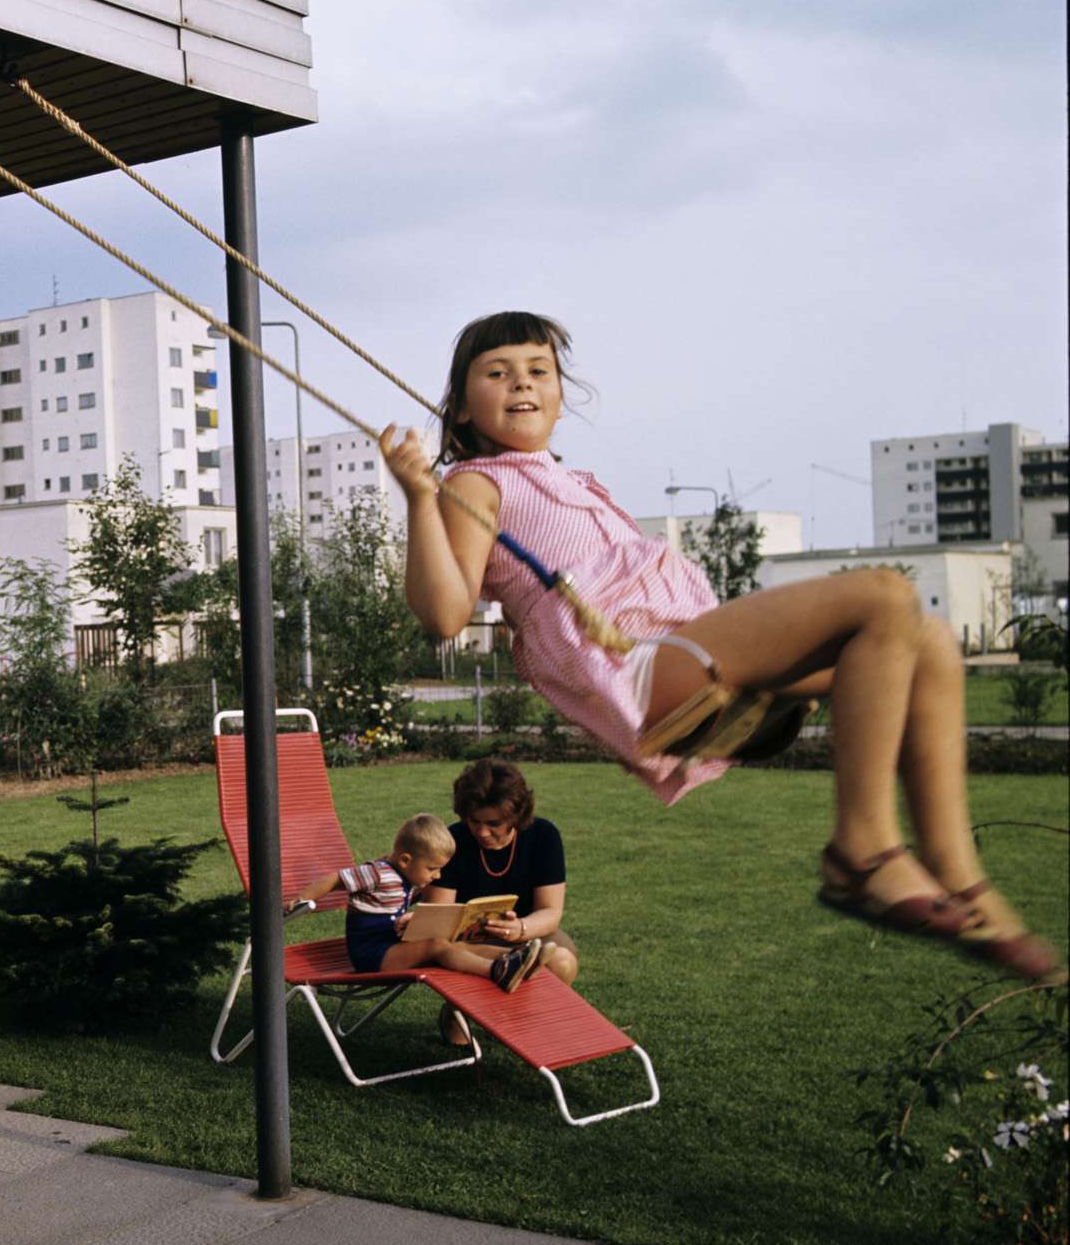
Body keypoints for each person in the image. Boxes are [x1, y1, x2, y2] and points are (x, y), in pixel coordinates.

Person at [384, 310, 1062, 983]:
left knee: (930, 642)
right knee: (883, 593)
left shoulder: (576, 482)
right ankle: (861, 850)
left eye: (538, 371)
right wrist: (420, 494)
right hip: (642, 669)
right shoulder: (477, 482)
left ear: (562, 397)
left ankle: (960, 880)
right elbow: (444, 614)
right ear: (461, 406)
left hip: (690, 651)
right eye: (496, 373)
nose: (521, 385)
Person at [293, 812, 550, 994]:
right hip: (373, 955)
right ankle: (498, 971)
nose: (437, 876)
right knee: (437, 947)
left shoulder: (408, 877)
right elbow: (335, 879)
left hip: (392, 947)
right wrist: (302, 900)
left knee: (455, 944)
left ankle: (516, 957)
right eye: (432, 869)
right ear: (405, 860)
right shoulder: (377, 873)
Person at [421, 758, 577, 1047]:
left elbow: (551, 912)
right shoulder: (453, 840)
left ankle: (508, 1018)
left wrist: (519, 928)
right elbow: (436, 920)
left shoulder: (543, 836)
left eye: (494, 824)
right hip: (464, 945)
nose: (481, 832)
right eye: (474, 821)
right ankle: (463, 1008)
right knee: (457, 1038)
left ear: (516, 817)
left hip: (524, 933)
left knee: (563, 959)